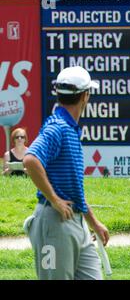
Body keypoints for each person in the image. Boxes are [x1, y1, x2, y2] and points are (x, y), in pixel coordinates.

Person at [23, 66, 109, 280]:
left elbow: (72, 188)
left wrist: (93, 222)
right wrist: (55, 200)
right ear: (85, 96)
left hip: (75, 222)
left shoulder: (67, 128)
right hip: (54, 222)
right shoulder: (58, 127)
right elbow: (30, 159)